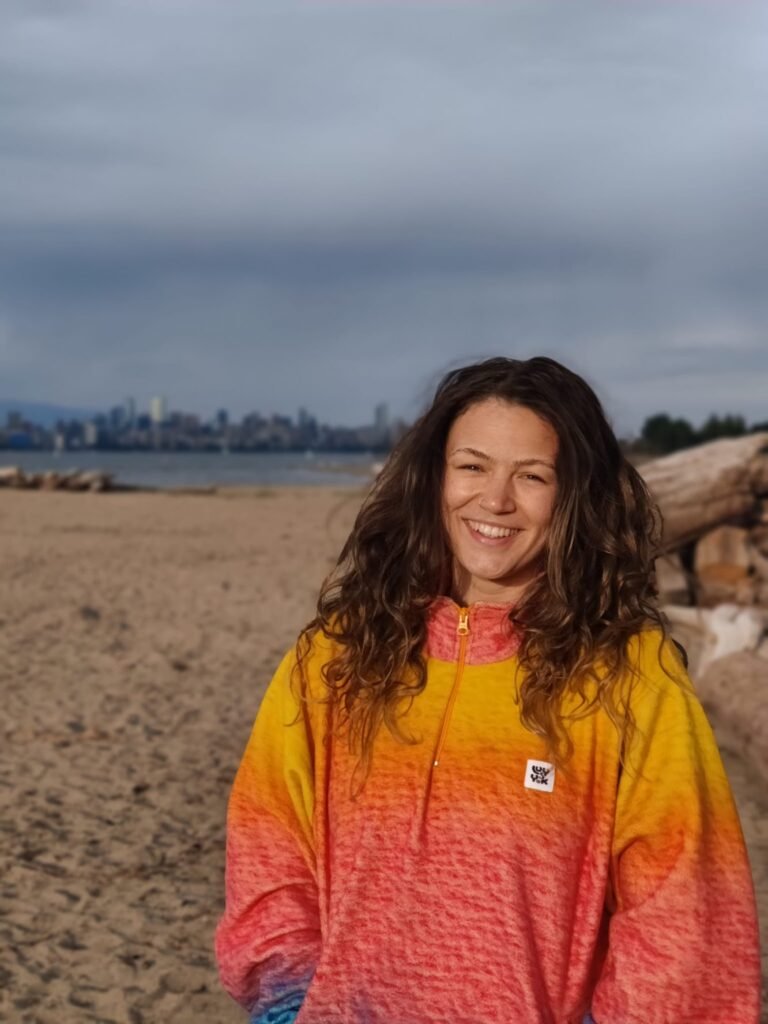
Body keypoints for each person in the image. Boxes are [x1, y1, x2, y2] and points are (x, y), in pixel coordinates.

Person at [215, 357, 761, 1024]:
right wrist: (289, 1007)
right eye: (472, 466)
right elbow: (270, 854)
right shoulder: (335, 656)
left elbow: (685, 914)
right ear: (433, 476)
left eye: (532, 476)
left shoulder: (628, 676)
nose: (495, 500)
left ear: (573, 496)